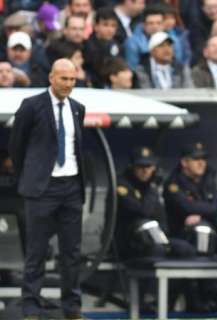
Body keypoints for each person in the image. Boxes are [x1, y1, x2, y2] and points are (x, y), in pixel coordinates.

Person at [9, 59, 86, 320]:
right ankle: (31, 308)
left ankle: (72, 308)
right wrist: (29, 178)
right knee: (36, 251)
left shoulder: (78, 108)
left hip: (72, 186)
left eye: (72, 79)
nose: (68, 84)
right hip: (42, 187)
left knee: (72, 252)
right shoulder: (31, 106)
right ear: (51, 77)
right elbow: (16, 147)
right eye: (63, 78)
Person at [114, 146, 195, 260]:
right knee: (157, 249)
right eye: (141, 166)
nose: (145, 171)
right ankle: (148, 278)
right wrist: (153, 187)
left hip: (155, 238)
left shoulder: (150, 185)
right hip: (129, 241)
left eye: (149, 166)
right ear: (132, 167)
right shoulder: (122, 185)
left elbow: (160, 217)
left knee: (185, 249)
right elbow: (144, 211)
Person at [163, 142, 217, 256]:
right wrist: (213, 211)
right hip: (183, 236)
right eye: (196, 159)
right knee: (201, 231)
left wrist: (201, 215)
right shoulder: (173, 183)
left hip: (213, 232)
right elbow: (186, 207)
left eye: (203, 158)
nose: (201, 163)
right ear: (184, 163)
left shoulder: (208, 179)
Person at [83, 7, 123, 89]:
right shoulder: (87, 46)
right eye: (105, 25)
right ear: (96, 26)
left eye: (113, 25)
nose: (110, 29)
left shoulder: (116, 44)